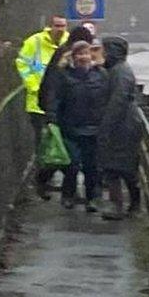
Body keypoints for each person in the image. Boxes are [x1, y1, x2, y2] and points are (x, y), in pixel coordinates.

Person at [15, 15, 68, 199]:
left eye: (63, 25)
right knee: (43, 143)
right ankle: (43, 181)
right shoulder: (34, 42)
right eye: (56, 25)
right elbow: (22, 63)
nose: (60, 29)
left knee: (59, 144)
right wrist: (34, 85)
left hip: (58, 106)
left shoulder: (68, 43)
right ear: (49, 26)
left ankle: (49, 178)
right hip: (37, 104)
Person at [50, 41, 108, 211]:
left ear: (91, 56)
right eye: (79, 54)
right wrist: (52, 118)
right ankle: (68, 195)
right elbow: (55, 98)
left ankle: (92, 198)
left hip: (94, 128)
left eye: (86, 54)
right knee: (72, 164)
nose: (83, 57)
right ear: (73, 57)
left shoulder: (101, 75)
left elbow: (107, 99)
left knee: (92, 166)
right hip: (70, 127)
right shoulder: (64, 75)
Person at [99, 36, 144, 220]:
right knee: (120, 167)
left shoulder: (120, 73)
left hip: (123, 126)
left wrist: (106, 127)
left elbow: (118, 101)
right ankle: (129, 205)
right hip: (125, 124)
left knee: (119, 168)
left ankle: (121, 206)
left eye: (104, 50)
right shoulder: (118, 70)